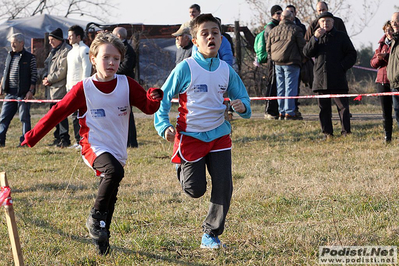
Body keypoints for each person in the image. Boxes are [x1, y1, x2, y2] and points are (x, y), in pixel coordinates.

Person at [21, 32, 163, 255]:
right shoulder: (84, 88)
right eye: (106, 57)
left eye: (116, 59)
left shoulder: (127, 84)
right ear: (94, 59)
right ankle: (94, 219)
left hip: (117, 147)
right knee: (113, 172)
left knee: (111, 193)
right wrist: (32, 136)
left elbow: (147, 107)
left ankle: (102, 238)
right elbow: (57, 113)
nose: (111, 63)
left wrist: (154, 97)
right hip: (92, 145)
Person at [154, 14, 251, 249]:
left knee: (224, 185)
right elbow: (163, 98)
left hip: (219, 134)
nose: (211, 37)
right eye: (204, 33)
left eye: (215, 33)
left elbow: (244, 100)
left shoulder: (226, 70)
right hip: (190, 136)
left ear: (221, 38)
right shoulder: (185, 68)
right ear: (195, 40)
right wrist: (163, 126)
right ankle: (181, 164)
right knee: (195, 190)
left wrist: (242, 106)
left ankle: (211, 234)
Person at [303, 12, 357, 139]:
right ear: (318, 24)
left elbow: (352, 54)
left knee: (343, 108)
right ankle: (327, 133)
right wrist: (314, 39)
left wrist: (342, 66)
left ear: (333, 22)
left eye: (328, 21)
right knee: (324, 109)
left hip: (338, 78)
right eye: (322, 21)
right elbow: (306, 52)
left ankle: (346, 132)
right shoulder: (316, 37)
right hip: (321, 79)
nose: (325, 23)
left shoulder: (341, 36)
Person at [0, 33, 37, 147]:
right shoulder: (9, 55)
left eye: (14, 42)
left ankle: (25, 142)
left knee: (24, 118)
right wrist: (1, 86)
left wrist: (30, 91)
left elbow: (34, 76)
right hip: (10, 93)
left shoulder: (30, 57)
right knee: (3, 117)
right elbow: (6, 71)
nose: (12, 45)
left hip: (23, 93)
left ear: (21, 43)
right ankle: (0, 140)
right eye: (11, 42)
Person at [266, 10, 305, 120]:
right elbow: (302, 47)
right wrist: (303, 58)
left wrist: (274, 56)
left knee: (280, 88)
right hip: (291, 62)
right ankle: (289, 112)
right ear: (291, 18)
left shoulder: (273, 30)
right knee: (290, 87)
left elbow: (268, 48)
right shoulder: (296, 29)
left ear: (281, 18)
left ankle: (281, 112)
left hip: (277, 62)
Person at [42, 28, 71, 148]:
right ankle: (57, 137)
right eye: (49, 40)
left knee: (61, 115)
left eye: (52, 40)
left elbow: (62, 71)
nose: (50, 42)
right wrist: (44, 77)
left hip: (59, 89)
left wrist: (49, 79)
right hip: (51, 89)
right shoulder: (53, 51)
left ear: (59, 39)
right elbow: (47, 65)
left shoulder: (66, 51)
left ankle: (64, 138)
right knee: (54, 115)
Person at [112, 26, 139, 148]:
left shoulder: (128, 50)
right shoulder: (118, 48)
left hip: (126, 84)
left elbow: (126, 66)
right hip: (119, 84)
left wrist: (113, 72)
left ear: (118, 36)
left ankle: (131, 141)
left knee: (127, 112)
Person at [66, 25, 92, 149]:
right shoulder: (70, 52)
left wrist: (83, 87)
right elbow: (70, 72)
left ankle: (84, 140)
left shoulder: (84, 50)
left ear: (78, 36)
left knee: (82, 116)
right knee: (74, 116)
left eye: (71, 36)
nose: (68, 38)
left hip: (81, 89)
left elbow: (87, 69)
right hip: (71, 88)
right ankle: (77, 140)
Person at [370, 21, 394, 143]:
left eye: (390, 29)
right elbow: (373, 63)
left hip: (395, 80)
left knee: (397, 109)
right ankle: (387, 136)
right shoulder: (381, 44)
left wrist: (388, 57)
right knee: (386, 112)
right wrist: (380, 58)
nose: (388, 33)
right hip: (382, 81)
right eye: (386, 30)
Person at [264, 5, 283, 120]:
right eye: (278, 13)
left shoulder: (278, 25)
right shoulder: (270, 27)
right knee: (272, 84)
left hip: (278, 58)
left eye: (281, 13)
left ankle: (275, 109)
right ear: (273, 15)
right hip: (273, 59)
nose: (280, 16)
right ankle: (269, 110)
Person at [387, 12, 399, 134]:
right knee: (397, 112)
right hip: (394, 84)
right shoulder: (393, 41)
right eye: (392, 21)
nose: (394, 23)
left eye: (397, 20)